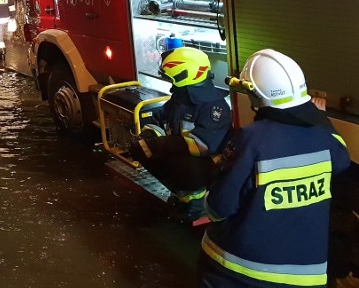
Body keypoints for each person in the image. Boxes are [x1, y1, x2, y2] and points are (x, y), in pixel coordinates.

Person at [199, 49, 351, 288]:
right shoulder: (325, 136)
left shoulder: (250, 139)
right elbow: (342, 159)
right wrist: (321, 119)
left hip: (239, 272)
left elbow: (217, 208)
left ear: (256, 96)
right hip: (309, 276)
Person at [128, 46, 232, 221]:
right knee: (141, 150)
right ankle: (182, 196)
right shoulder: (181, 96)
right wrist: (148, 136)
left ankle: (198, 204)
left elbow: (201, 146)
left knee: (185, 167)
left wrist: (161, 144)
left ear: (184, 74)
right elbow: (160, 118)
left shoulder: (214, 106)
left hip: (207, 165)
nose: (169, 81)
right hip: (184, 157)